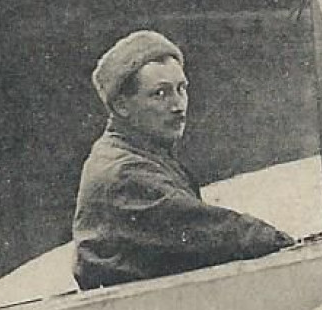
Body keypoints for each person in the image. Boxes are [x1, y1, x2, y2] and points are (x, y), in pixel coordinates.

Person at [73, 30, 293, 290]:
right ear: (122, 106)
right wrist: (285, 244)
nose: (178, 106)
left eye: (181, 89)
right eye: (160, 94)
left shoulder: (141, 154)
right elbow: (212, 230)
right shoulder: (124, 171)